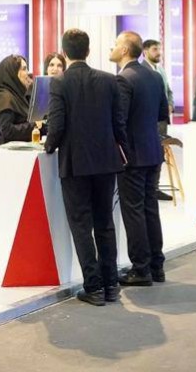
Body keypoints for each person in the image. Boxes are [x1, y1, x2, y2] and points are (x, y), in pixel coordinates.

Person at [44, 29, 128, 307]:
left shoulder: (59, 83)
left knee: (81, 225)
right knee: (104, 223)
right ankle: (111, 284)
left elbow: (56, 125)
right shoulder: (108, 80)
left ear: (64, 53)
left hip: (75, 163)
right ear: (88, 51)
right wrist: (123, 150)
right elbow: (118, 124)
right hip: (106, 161)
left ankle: (93, 287)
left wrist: (48, 147)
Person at [114, 32, 171, 286]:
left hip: (133, 156)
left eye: (116, 44)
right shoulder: (154, 76)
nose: (113, 48)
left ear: (125, 49)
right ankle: (156, 266)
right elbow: (162, 113)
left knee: (134, 211)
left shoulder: (124, 79)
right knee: (150, 208)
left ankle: (140, 269)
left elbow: (119, 120)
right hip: (152, 151)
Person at [140, 39, 180, 201]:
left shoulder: (161, 70)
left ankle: (155, 187)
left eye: (159, 49)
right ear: (145, 52)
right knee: (151, 153)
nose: (159, 53)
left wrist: (170, 104)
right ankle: (150, 188)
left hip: (162, 119)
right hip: (150, 119)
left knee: (159, 154)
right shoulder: (142, 71)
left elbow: (168, 90)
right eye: (155, 49)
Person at [0, 55, 40, 147]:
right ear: (12, 73)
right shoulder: (4, 98)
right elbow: (7, 131)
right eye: (24, 69)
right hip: (6, 152)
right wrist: (34, 125)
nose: (27, 73)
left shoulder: (17, 94)